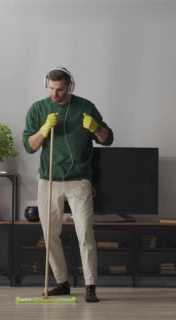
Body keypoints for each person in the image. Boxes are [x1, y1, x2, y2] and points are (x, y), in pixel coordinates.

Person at [22, 67, 113, 303]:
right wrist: (43, 130)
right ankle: (62, 283)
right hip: (49, 180)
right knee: (50, 234)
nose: (55, 94)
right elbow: (29, 146)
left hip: (79, 181)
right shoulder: (38, 109)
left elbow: (108, 139)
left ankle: (90, 286)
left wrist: (95, 128)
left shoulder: (85, 107)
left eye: (60, 89)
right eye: (51, 89)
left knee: (85, 233)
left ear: (69, 86)